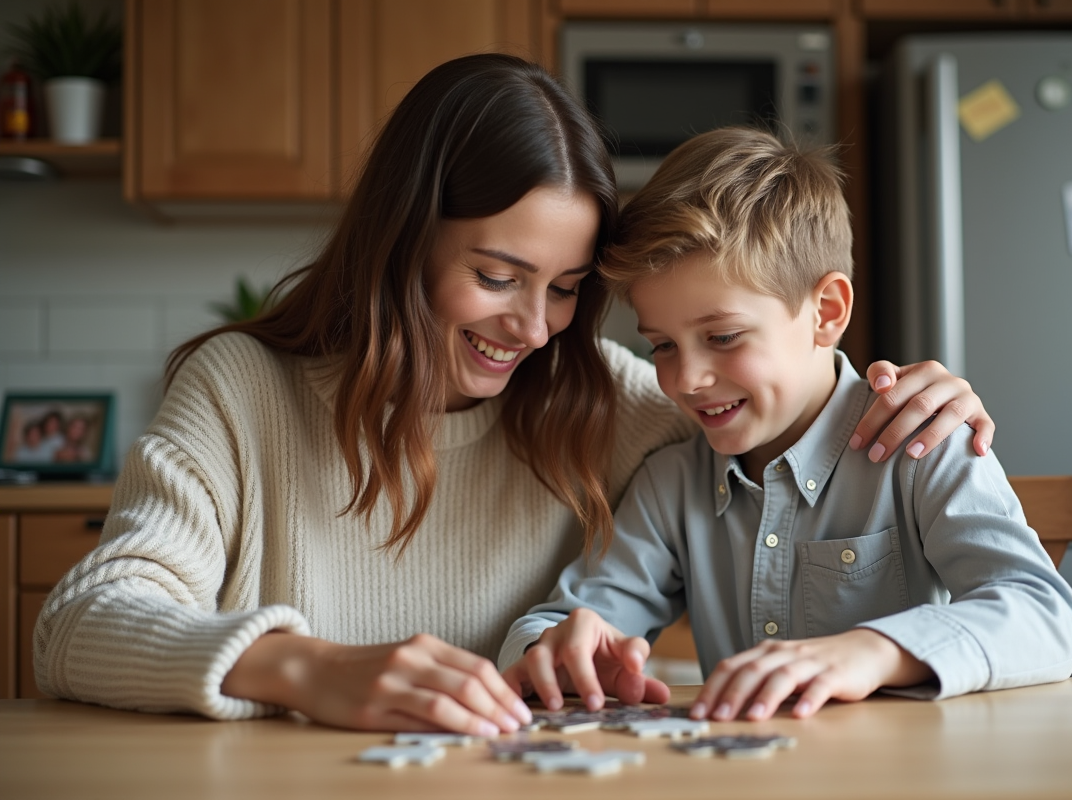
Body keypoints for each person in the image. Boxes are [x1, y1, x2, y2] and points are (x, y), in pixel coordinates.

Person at [34, 55, 997, 735]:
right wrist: (312, 669)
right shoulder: (242, 395)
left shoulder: (618, 401)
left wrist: (906, 391)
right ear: (404, 242)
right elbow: (79, 627)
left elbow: (777, 403)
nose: (536, 330)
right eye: (498, 277)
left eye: (569, 289)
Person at [499, 129, 1072, 720]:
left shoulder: (923, 438)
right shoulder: (670, 485)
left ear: (826, 311)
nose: (686, 380)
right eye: (662, 347)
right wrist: (561, 648)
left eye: (722, 337)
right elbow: (569, 619)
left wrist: (873, 652)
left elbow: (1044, 614)